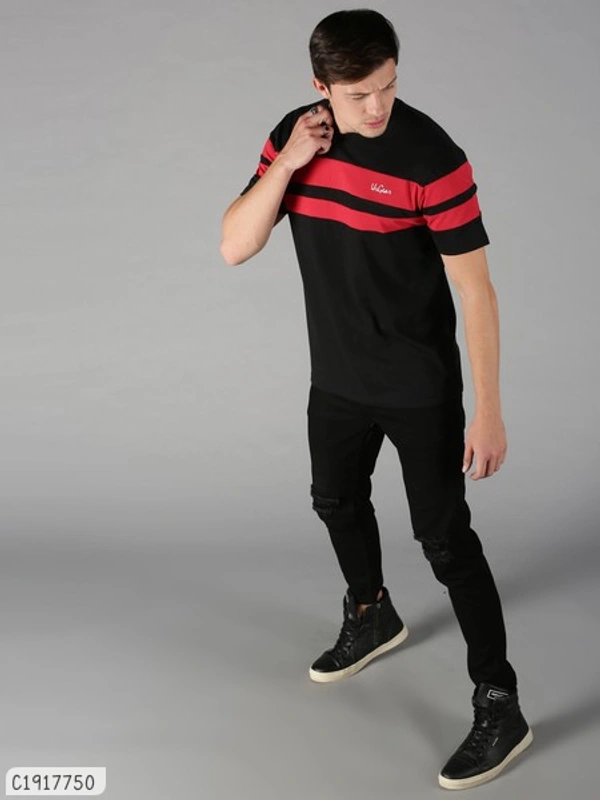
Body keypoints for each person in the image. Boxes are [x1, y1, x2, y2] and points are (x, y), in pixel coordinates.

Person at [220, 8, 532, 790]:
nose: (376, 106)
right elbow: (235, 245)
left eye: (388, 86)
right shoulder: (296, 136)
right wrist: (289, 163)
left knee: (446, 543)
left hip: (418, 387)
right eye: (358, 93)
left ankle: (500, 703)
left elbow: (477, 291)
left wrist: (489, 410)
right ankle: (371, 614)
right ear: (320, 86)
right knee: (334, 501)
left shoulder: (433, 157)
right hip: (337, 378)